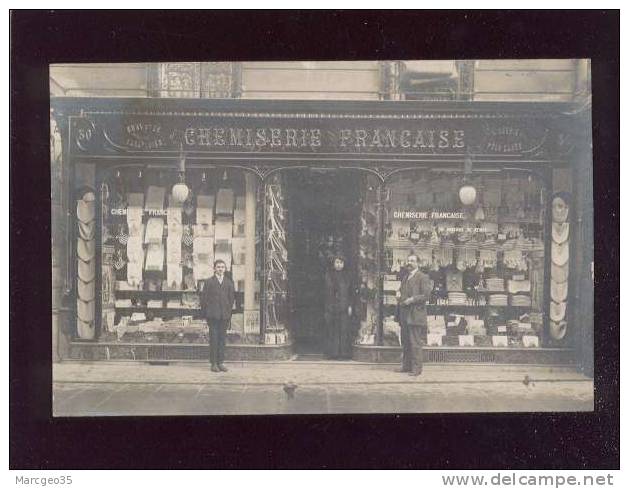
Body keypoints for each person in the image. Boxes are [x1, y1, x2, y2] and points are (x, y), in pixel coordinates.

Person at [397, 254, 433, 376]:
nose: (409, 263)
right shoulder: (405, 277)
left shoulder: (423, 277)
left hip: (416, 313)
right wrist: (399, 295)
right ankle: (406, 366)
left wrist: (412, 299)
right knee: (406, 341)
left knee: (415, 342)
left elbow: (426, 295)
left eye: (412, 261)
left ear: (418, 263)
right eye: (408, 260)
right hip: (405, 313)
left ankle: (417, 369)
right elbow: (402, 292)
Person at [199, 259, 235, 373]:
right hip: (212, 316)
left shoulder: (229, 282)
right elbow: (204, 299)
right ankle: (213, 363)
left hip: (224, 316)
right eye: (218, 267)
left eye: (222, 267)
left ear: (225, 269)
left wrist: (228, 313)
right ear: (214, 268)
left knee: (222, 339)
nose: (220, 269)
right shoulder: (209, 282)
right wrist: (206, 314)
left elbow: (231, 299)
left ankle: (221, 362)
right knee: (214, 339)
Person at [323, 255, 356, 359]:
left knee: (344, 329)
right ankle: (332, 353)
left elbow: (351, 293)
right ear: (333, 263)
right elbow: (326, 292)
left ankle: (343, 353)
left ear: (344, 264)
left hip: (344, 306)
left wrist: (350, 305)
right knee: (332, 330)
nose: (339, 265)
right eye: (337, 262)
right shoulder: (329, 275)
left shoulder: (347, 276)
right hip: (331, 307)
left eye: (341, 263)